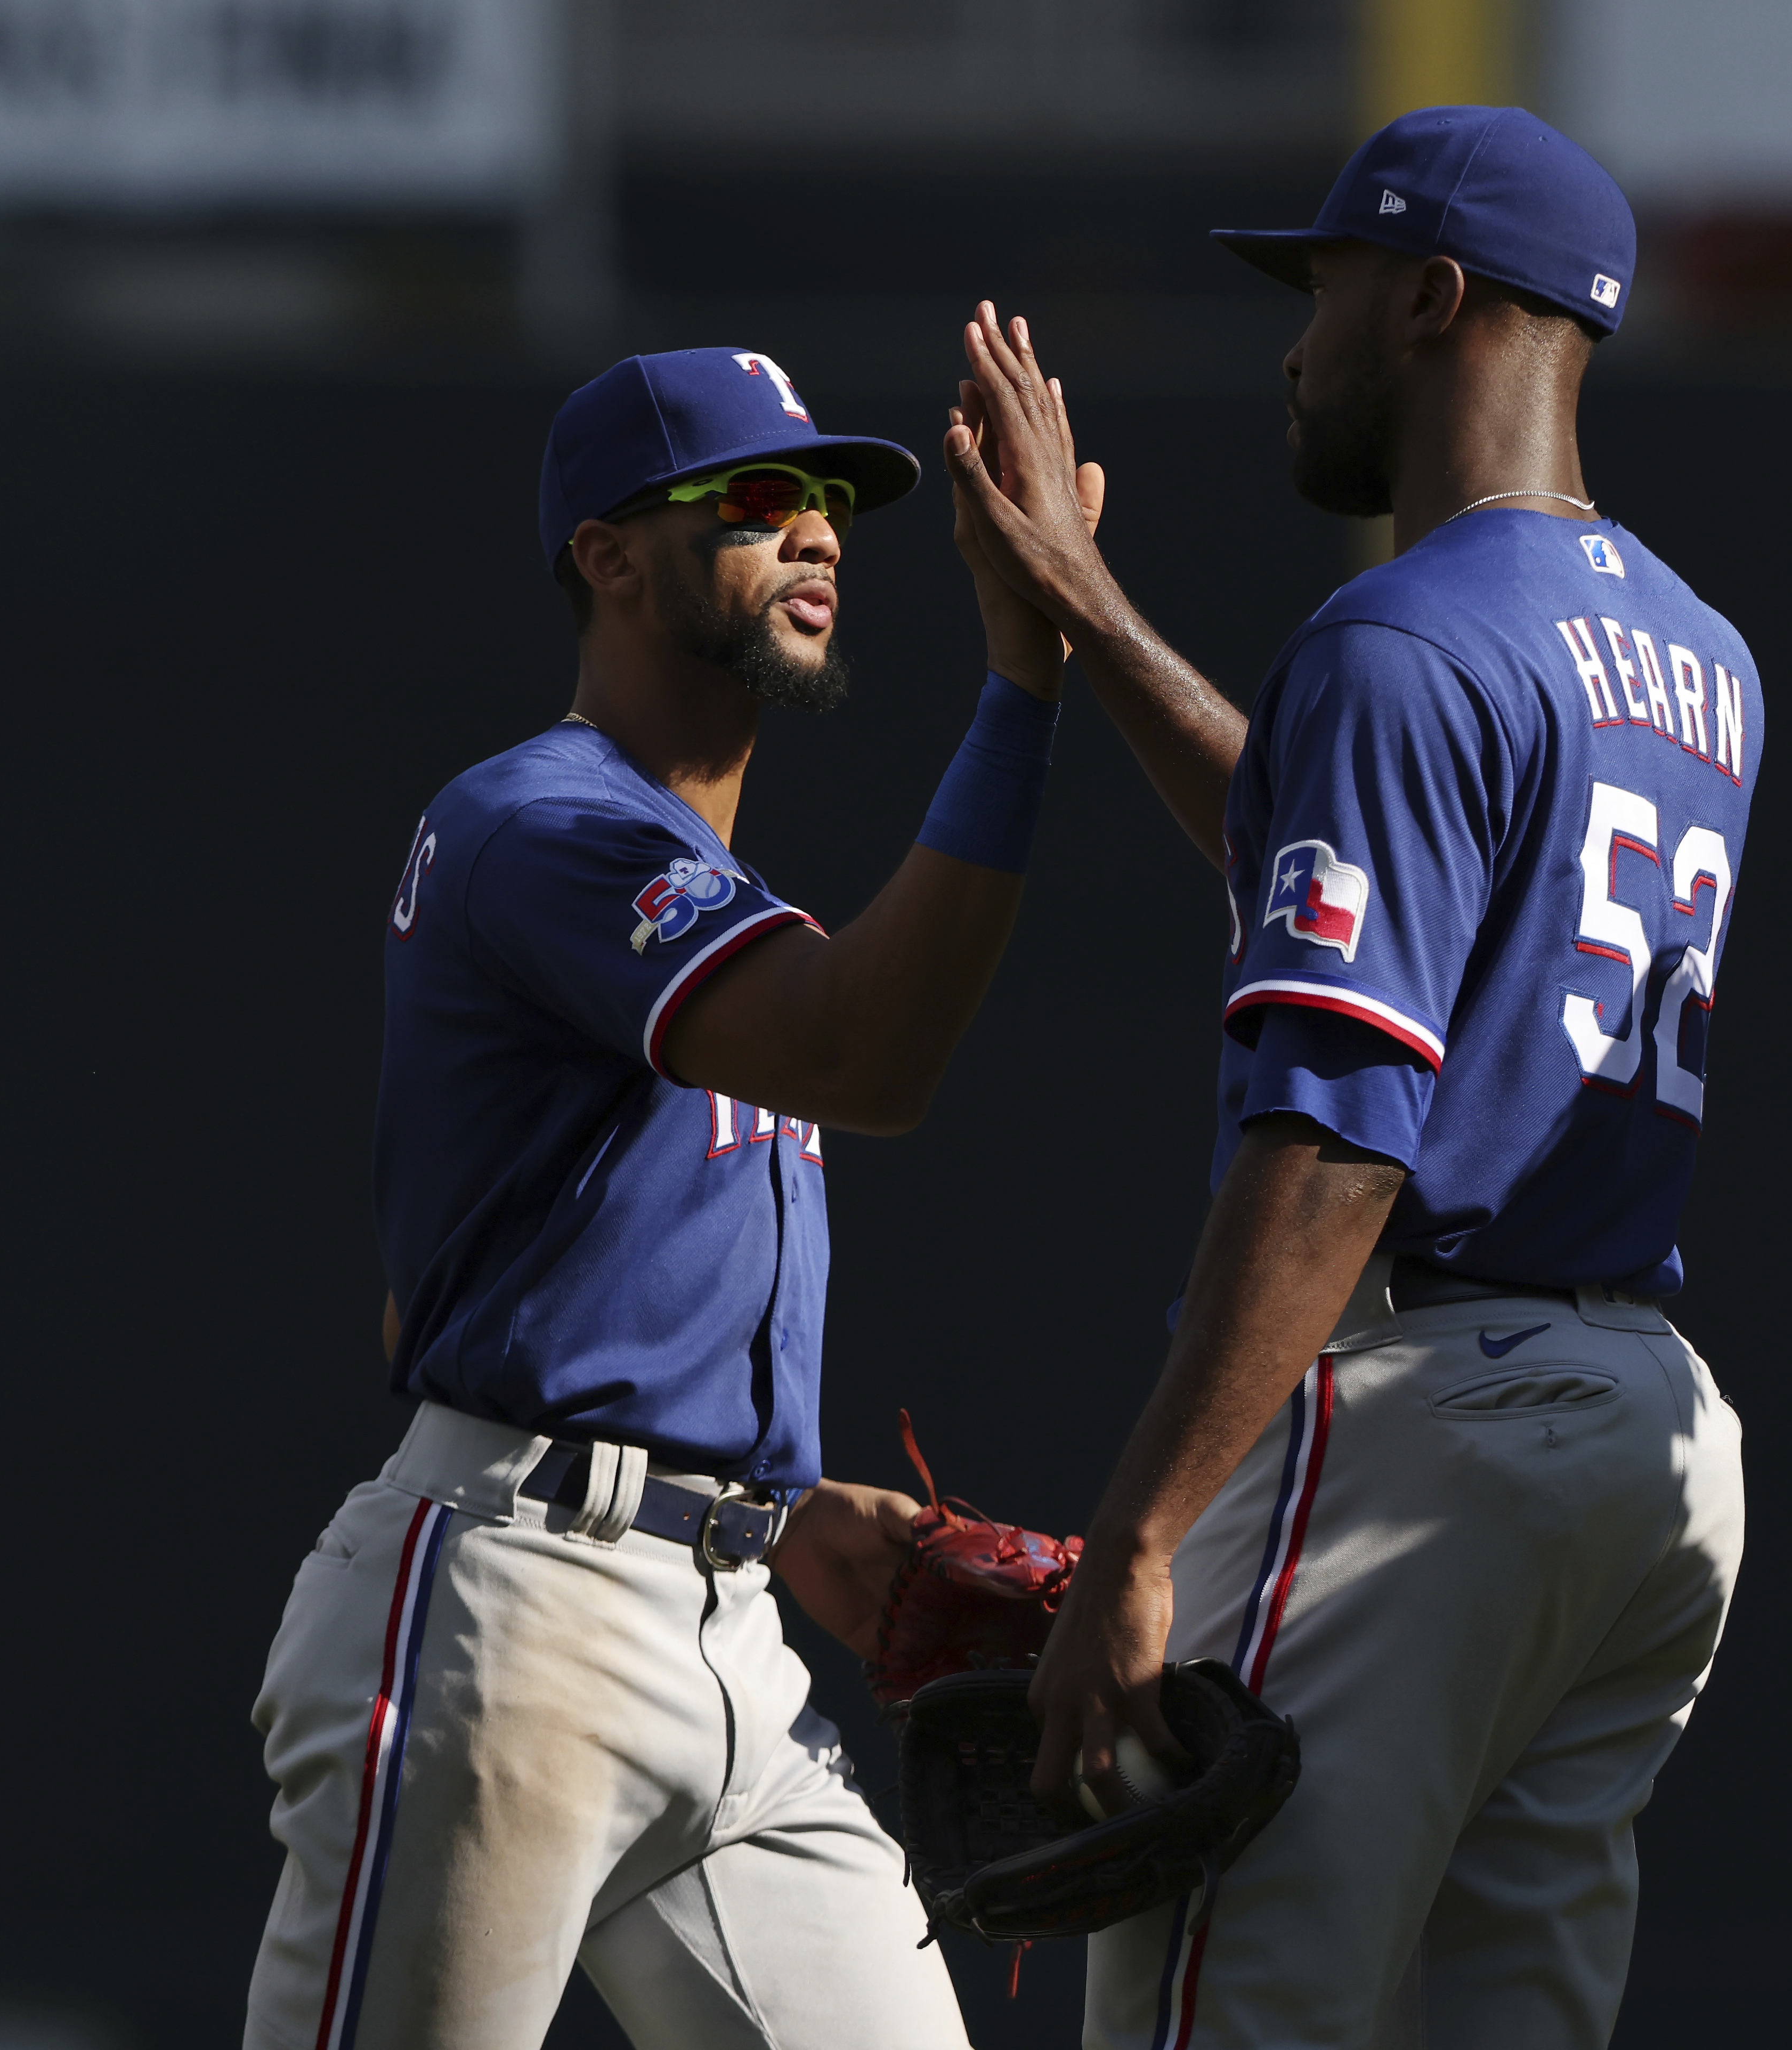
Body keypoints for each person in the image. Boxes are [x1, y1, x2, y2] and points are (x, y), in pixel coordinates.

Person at [945, 108, 1761, 2044]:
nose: (1295, 349)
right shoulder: (1695, 656)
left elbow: (1332, 1142)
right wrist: (1095, 611)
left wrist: (1141, 1537)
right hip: (1644, 1450)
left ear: (1432, 297)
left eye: (1322, 292)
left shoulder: (1399, 637)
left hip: (1426, 1425)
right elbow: (1363, 864)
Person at [242, 346, 1097, 2050]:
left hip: (729, 1639)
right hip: (515, 1624)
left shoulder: (706, 895)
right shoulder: (543, 825)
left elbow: (438, 1300)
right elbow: (867, 1057)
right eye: (754, 496)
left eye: (832, 501)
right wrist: (1025, 677)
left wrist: (759, 1499)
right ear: (607, 554)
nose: (815, 531)